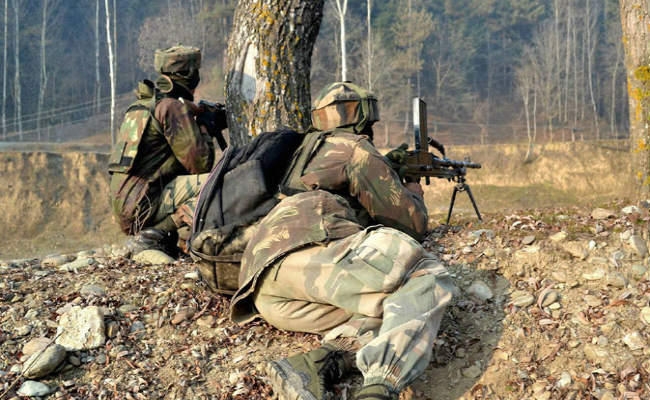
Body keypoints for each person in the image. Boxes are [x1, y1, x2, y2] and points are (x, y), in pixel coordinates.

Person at [228, 82, 455, 399]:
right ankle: (379, 388)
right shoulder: (353, 147)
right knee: (425, 277)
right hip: (309, 254)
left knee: (395, 310)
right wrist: (414, 193)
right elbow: (410, 224)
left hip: (264, 288)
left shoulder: (300, 152)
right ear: (361, 117)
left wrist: (388, 165)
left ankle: (313, 365)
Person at [108, 45, 216, 256]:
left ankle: (165, 238)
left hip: (127, 207)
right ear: (190, 75)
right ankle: (154, 235)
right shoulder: (170, 108)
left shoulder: (143, 107)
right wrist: (205, 126)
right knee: (220, 182)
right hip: (144, 206)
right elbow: (201, 165)